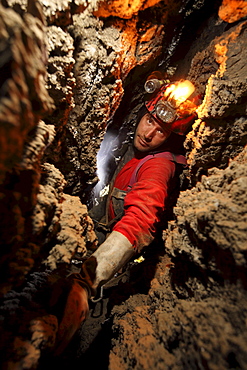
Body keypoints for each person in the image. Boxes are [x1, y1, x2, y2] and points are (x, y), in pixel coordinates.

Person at [53, 74, 198, 355]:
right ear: (142, 113)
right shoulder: (132, 145)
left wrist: (87, 282)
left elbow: (140, 219)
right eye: (149, 121)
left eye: (161, 132)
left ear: (172, 138)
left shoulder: (158, 166)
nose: (148, 133)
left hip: (118, 269)